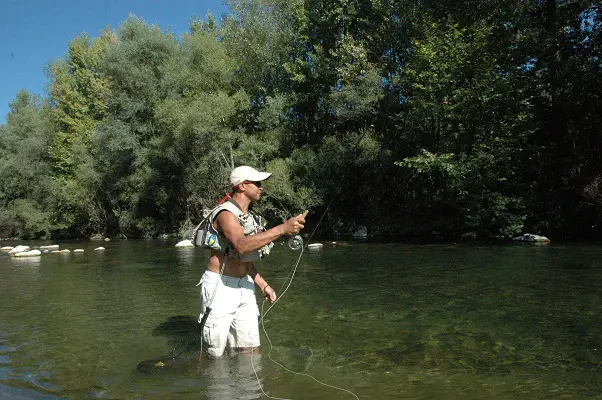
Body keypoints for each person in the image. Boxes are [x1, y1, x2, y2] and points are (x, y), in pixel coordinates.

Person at [197, 165, 306, 357]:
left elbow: (243, 260)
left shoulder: (249, 218)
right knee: (214, 354)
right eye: (256, 183)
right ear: (241, 186)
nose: (261, 187)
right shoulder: (225, 214)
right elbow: (241, 246)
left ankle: (248, 387)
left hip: (245, 287)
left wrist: (263, 285)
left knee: (251, 350)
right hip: (220, 287)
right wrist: (282, 229)